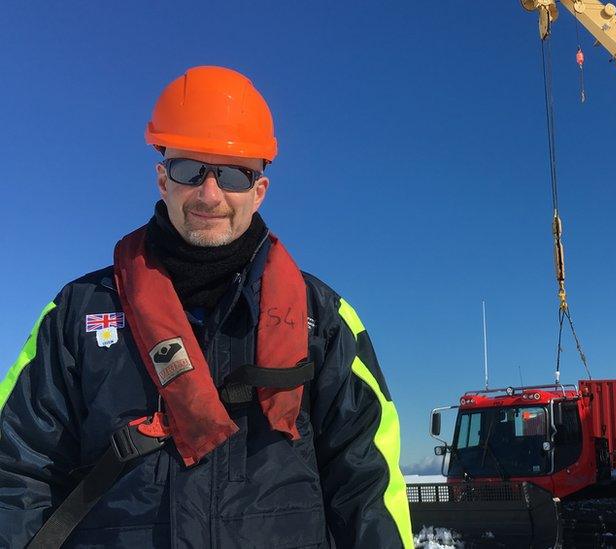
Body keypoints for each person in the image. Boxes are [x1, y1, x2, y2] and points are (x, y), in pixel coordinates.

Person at [0, 66, 412, 548]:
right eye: (189, 169)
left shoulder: (323, 320)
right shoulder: (77, 315)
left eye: (234, 174)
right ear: (162, 179)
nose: (210, 193)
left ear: (259, 192)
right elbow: (16, 471)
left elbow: (368, 484)